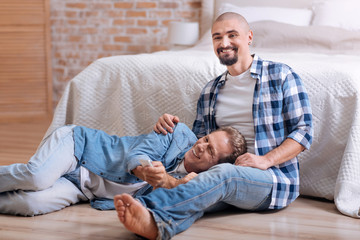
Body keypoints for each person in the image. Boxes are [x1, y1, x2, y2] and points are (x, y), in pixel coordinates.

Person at [114, 12, 313, 240]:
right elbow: (197, 141)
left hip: (271, 179)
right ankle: (154, 226)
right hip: (215, 177)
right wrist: (167, 124)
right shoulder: (210, 91)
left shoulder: (281, 76)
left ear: (249, 37)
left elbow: (304, 130)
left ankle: (147, 208)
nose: (224, 43)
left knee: (224, 175)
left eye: (232, 35)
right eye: (217, 37)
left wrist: (264, 160)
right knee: (197, 194)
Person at [0, 123, 246, 216]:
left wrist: (173, 184)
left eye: (211, 151)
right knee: (37, 176)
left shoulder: (195, 184)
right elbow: (137, 156)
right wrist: (146, 173)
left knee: (29, 205)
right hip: (79, 148)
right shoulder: (175, 132)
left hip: (82, 188)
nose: (201, 146)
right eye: (206, 139)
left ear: (217, 166)